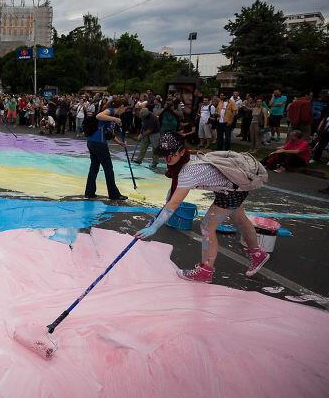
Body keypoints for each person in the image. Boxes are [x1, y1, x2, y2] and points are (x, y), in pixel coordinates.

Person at [137, 132, 269, 283]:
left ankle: (205, 271)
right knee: (239, 218)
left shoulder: (189, 172)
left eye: (171, 154)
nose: (167, 159)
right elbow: (175, 191)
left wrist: (154, 227)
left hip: (231, 191)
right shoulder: (187, 159)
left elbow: (173, 204)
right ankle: (257, 254)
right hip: (234, 187)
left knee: (207, 226)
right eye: (163, 155)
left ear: (181, 151)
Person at [84, 97, 129, 201]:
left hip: (92, 141)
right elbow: (99, 116)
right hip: (99, 143)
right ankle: (114, 194)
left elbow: (109, 134)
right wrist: (115, 119)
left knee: (94, 167)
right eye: (124, 109)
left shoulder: (110, 113)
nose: (124, 111)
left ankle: (89, 192)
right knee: (108, 168)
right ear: (121, 106)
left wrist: (120, 143)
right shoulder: (111, 111)